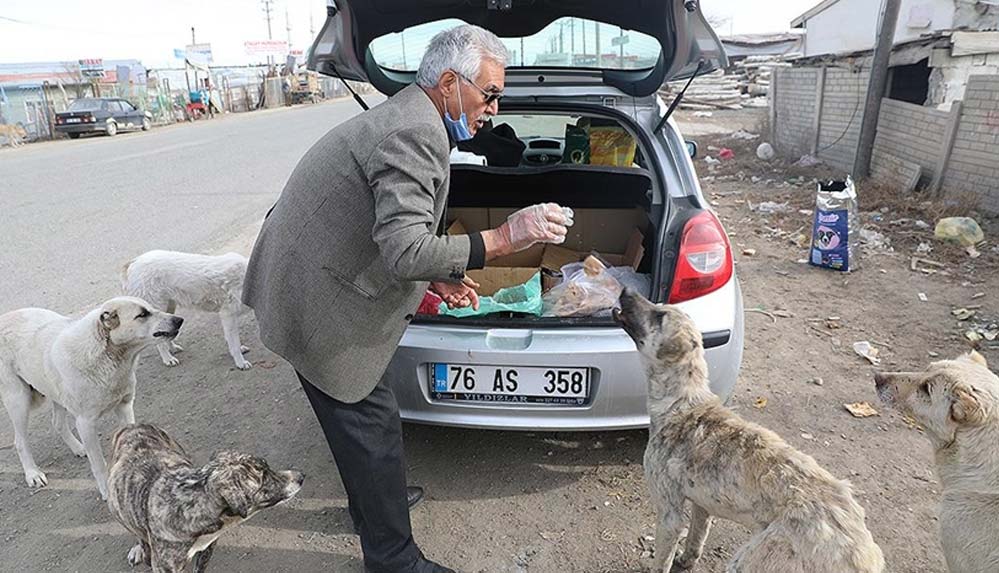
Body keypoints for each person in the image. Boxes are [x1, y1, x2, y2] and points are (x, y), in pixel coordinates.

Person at [242, 25, 572, 573]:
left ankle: (375, 506)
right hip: (318, 302)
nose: (494, 108)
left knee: (360, 431)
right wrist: (506, 237)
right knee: (372, 430)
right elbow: (403, 251)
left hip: (310, 281)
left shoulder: (411, 115)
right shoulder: (413, 134)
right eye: (490, 94)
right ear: (449, 83)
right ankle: (394, 559)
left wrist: (440, 275)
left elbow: (394, 235)